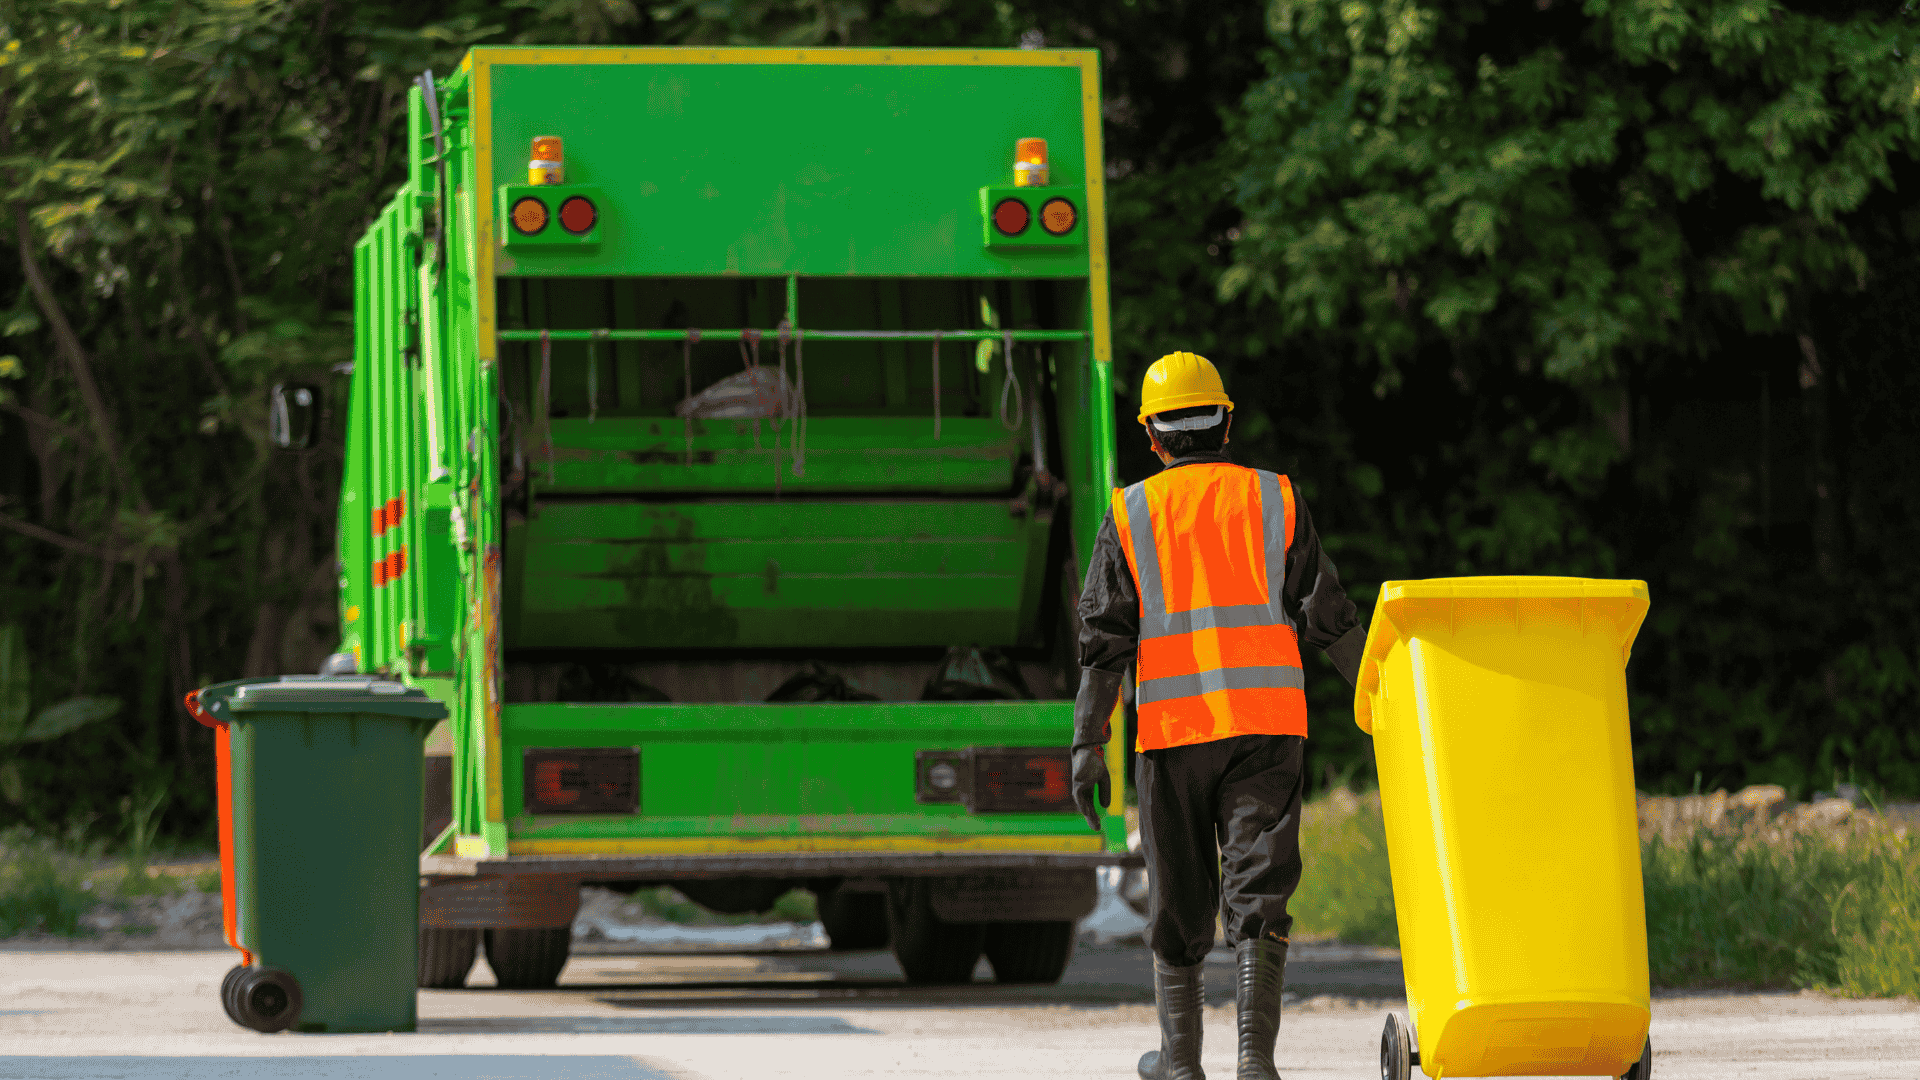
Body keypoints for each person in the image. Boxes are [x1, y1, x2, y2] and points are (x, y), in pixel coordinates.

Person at [1070, 352, 1364, 1080]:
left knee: (1178, 896)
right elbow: (1327, 618)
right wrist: (1379, 701)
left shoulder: (1129, 512)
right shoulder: (1276, 499)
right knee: (1259, 886)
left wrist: (1086, 744)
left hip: (1172, 735)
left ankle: (1179, 1061)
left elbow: (1104, 644)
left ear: (1153, 437)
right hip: (1268, 727)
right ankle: (1254, 1063)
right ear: (1226, 422)